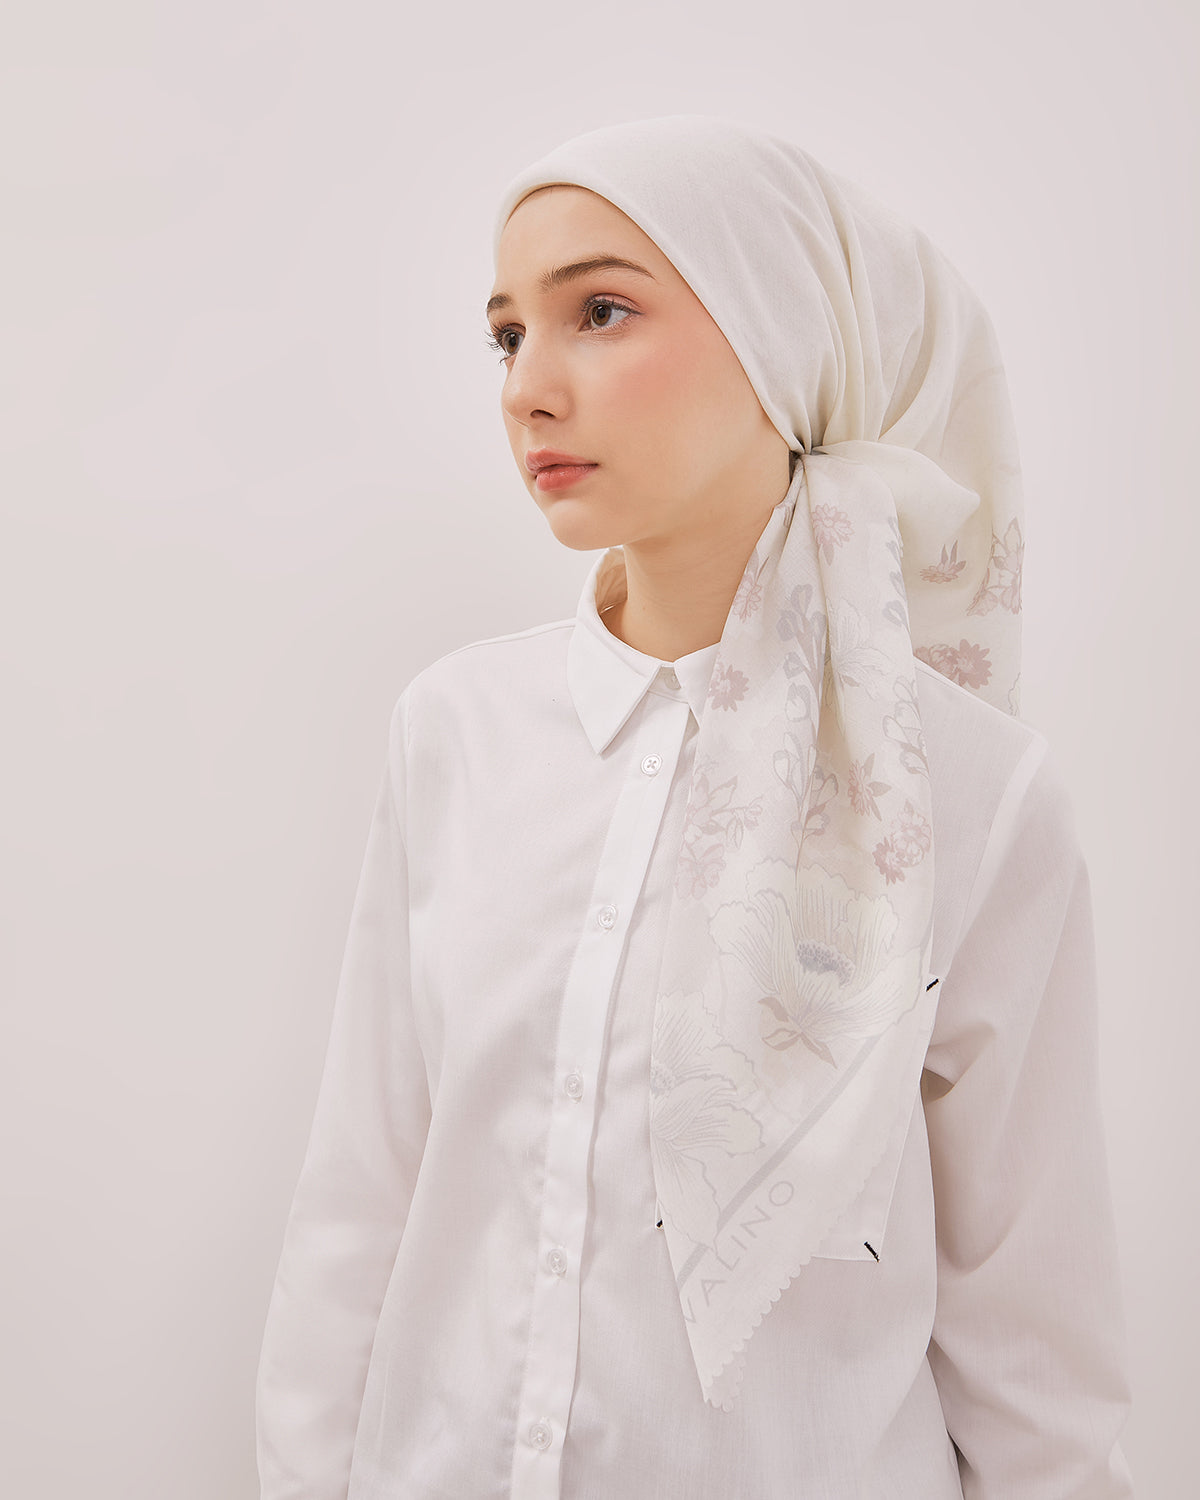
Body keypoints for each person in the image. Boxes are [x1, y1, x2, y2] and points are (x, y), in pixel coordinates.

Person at [254, 115, 1135, 1499]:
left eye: (599, 312)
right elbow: (361, 1202)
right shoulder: (456, 734)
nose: (527, 389)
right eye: (506, 335)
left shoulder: (969, 794)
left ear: (785, 334)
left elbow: (1032, 1340)